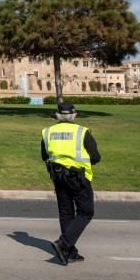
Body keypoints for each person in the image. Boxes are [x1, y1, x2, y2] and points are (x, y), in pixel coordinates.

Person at [43, 102, 101, 264]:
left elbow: (44, 155)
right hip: (78, 177)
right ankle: (64, 244)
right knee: (86, 212)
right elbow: (95, 157)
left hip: (57, 176)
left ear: (57, 115)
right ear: (74, 115)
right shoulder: (82, 132)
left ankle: (69, 251)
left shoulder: (48, 132)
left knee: (66, 213)